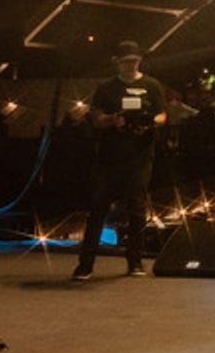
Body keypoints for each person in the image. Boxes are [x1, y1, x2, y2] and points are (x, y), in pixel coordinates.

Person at [72, 40, 168, 280]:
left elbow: (162, 115)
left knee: (137, 208)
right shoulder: (106, 87)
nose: (130, 65)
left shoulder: (151, 85)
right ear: (117, 62)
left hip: (140, 155)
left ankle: (135, 261)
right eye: (126, 62)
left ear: (139, 60)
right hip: (110, 156)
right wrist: (113, 120)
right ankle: (86, 264)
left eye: (134, 61)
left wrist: (148, 123)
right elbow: (96, 118)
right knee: (98, 208)